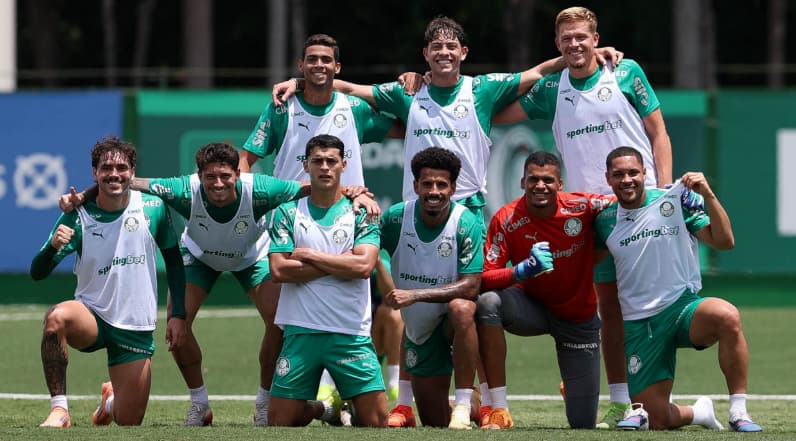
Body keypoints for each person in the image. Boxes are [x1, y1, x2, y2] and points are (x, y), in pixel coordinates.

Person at [59, 142, 376, 427]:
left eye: (226, 176)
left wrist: (354, 191)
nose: (218, 183)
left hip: (251, 258)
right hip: (199, 258)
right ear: (198, 177)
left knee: (279, 323)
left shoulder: (262, 189)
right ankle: (200, 404)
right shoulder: (184, 191)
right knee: (177, 328)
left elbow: (311, 188)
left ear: (238, 174)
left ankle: (265, 402)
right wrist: (83, 197)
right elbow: (126, 181)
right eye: (210, 177)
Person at [493, 6, 673, 427]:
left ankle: (658, 397)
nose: (575, 44)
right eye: (567, 39)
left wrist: (663, 189)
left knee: (651, 305)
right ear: (557, 45)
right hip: (592, 216)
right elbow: (496, 111)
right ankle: (620, 399)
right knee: (606, 308)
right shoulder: (552, 88)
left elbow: (658, 131)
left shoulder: (625, 72)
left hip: (639, 205)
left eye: (582, 37)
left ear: (596, 38)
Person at [241, 33, 404, 408]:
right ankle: (267, 400)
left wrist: (408, 84)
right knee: (279, 324)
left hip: (345, 220)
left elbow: (403, 124)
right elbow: (246, 160)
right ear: (300, 66)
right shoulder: (283, 108)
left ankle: (347, 395)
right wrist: (258, 203)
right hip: (292, 221)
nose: (319, 66)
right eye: (311, 60)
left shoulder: (354, 109)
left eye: (326, 60)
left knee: (347, 318)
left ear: (337, 68)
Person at [593, 146, 761, 432]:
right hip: (639, 326)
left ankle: (738, 411)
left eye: (633, 172)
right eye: (618, 174)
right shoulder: (603, 221)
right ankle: (699, 412)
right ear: (608, 178)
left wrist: (708, 195)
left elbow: (724, 241)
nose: (627, 180)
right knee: (657, 420)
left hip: (682, 309)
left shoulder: (673, 201)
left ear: (645, 173)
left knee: (727, 316)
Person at [31, 136, 187, 428]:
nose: (114, 173)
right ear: (95, 173)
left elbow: (176, 264)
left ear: (132, 170)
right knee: (56, 319)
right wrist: (53, 247)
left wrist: (178, 314)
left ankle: (110, 401)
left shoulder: (153, 208)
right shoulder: (77, 216)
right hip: (92, 315)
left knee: (129, 421)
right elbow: (37, 272)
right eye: (106, 168)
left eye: (121, 167)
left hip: (135, 325)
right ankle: (59, 410)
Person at [476, 151, 615, 429]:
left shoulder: (582, 207)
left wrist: (670, 196)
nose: (540, 185)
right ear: (522, 182)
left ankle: (574, 388)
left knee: (582, 423)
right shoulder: (506, 218)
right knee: (487, 303)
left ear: (560, 184)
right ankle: (499, 409)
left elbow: (627, 200)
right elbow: (485, 278)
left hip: (577, 317)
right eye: (533, 179)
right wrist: (521, 271)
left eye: (548, 180)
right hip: (531, 307)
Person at [267, 134, 386, 427]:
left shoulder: (363, 211)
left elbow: (364, 266)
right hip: (300, 331)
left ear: (344, 165)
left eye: (331, 161)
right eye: (317, 161)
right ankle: (325, 409)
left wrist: (308, 255)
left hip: (349, 332)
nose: (324, 167)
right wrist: (339, 260)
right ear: (305, 165)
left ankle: (349, 405)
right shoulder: (287, 212)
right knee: (280, 422)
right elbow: (279, 270)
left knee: (378, 422)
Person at [377, 147, 485, 429]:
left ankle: (462, 403)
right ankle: (474, 405)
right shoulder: (396, 219)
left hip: (450, 322)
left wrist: (415, 295)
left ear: (453, 188)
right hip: (419, 334)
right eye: (427, 184)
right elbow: (364, 247)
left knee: (462, 308)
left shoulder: (465, 222)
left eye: (441, 185)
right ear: (415, 186)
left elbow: (472, 285)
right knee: (435, 421)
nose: (434, 191)